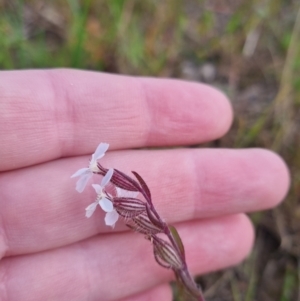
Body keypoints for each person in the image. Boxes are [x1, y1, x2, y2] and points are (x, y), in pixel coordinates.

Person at [0, 69, 289, 301]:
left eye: (98, 173)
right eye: (98, 173)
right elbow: (137, 209)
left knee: (168, 245)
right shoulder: (127, 198)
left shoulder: (131, 196)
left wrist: (122, 202)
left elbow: (143, 210)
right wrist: (118, 202)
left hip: (142, 213)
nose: (100, 179)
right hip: (139, 211)